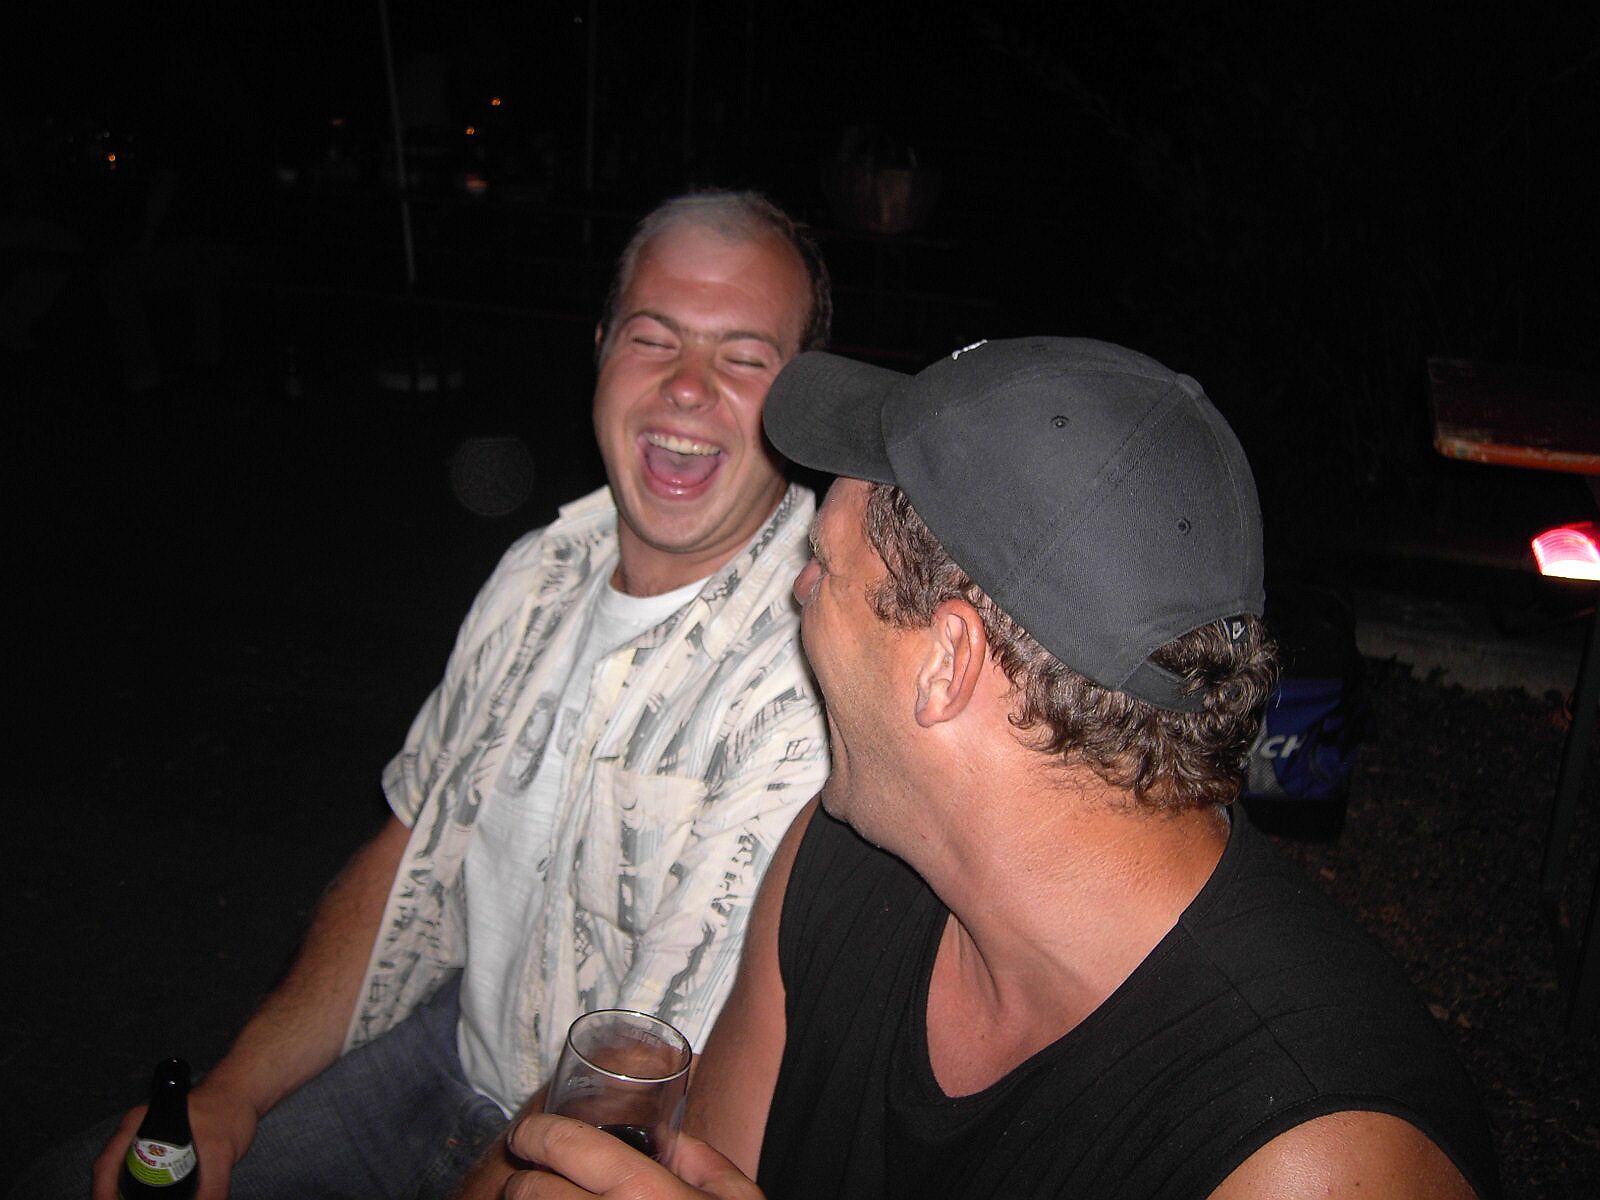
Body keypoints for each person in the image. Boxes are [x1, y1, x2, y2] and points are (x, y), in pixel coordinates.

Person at [501, 337, 1501, 1199]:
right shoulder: (838, 862)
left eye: (825, 567)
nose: (798, 592)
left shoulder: (1310, 1154)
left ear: (947, 663)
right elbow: (712, 1166)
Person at [16, 190, 833, 1200]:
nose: (687, 387)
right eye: (653, 338)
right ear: (600, 350)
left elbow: (639, 1065)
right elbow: (409, 851)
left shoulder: (806, 669)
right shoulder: (538, 572)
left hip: (581, 1145)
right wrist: (233, 1094)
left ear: (802, 401)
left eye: (744, 359)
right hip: (445, 1051)